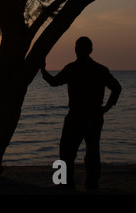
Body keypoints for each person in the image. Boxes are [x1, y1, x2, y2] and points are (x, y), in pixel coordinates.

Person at [40, 36, 122, 191]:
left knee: (66, 152)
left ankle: (65, 183)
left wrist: (43, 70)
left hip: (76, 116)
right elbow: (117, 87)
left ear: (76, 50)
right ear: (90, 50)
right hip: (95, 116)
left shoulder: (72, 68)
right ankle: (92, 185)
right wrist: (107, 108)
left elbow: (54, 82)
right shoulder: (100, 69)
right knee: (92, 152)